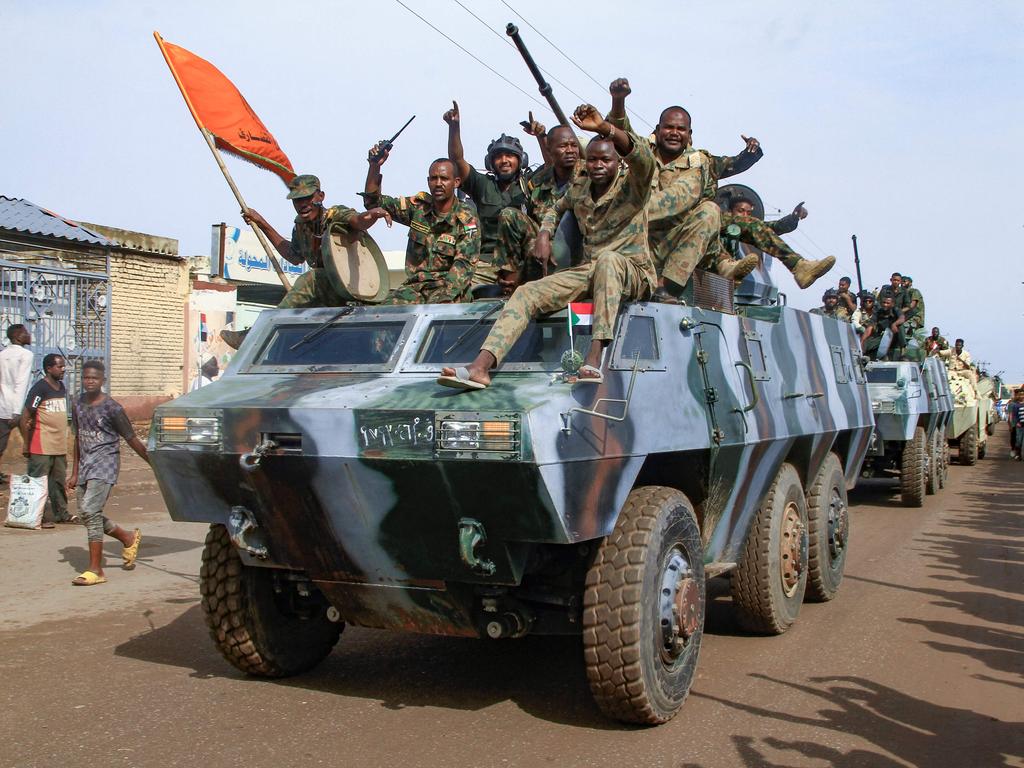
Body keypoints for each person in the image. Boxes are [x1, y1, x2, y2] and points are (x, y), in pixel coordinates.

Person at [438, 100, 655, 390]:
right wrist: (544, 234)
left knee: (608, 260)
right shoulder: (580, 187)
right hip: (590, 271)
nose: (598, 165)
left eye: (606, 160)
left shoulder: (633, 186)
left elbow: (643, 159)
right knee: (527, 293)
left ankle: (593, 357)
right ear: (584, 162)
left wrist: (605, 128)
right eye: (592, 160)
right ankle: (481, 367)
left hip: (632, 271)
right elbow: (555, 208)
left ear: (617, 163)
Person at [221, 174, 391, 349]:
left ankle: (256, 335)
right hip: (329, 295)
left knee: (311, 279)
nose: (302, 205)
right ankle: (271, 338)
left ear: (320, 196)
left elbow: (358, 221)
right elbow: (294, 256)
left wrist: (371, 215)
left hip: (352, 291)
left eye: (307, 198)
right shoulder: (301, 226)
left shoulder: (335, 215)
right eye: (297, 200)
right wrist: (261, 223)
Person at [67, 361, 149, 586]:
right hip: (86, 464)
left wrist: (154, 463)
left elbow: (131, 438)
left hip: (105, 464)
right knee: (86, 514)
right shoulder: (77, 404)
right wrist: (74, 472)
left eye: (94, 378)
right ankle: (127, 537)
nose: (89, 381)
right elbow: (77, 438)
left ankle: (96, 570)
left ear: (103, 380)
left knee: (90, 510)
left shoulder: (113, 408)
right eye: (85, 378)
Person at [362, 152, 480, 304]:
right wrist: (374, 167)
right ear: (428, 181)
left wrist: (444, 298)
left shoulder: (466, 218)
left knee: (442, 316)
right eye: (433, 178)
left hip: (449, 288)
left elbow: (464, 264)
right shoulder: (418, 209)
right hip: (415, 288)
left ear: (456, 182)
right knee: (382, 316)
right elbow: (373, 203)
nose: (438, 183)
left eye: (444, 179)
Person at [444, 101, 533, 293]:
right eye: (498, 156)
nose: (504, 160)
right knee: (455, 292)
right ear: (491, 162)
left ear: (521, 160)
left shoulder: (531, 184)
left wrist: (541, 137)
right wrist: (454, 128)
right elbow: (456, 160)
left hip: (523, 263)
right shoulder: (483, 184)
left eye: (510, 155)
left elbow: (554, 168)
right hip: (486, 263)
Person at [493, 121, 581, 293]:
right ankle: (510, 285)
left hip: (577, 247)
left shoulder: (589, 176)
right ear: (549, 150)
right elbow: (531, 222)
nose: (570, 150)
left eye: (574, 145)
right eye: (563, 146)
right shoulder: (539, 182)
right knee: (509, 215)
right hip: (542, 245)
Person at [720, 194, 836, 289]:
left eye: (749, 213)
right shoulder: (719, 220)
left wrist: (794, 217)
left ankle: (800, 267)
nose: (745, 216)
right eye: (741, 211)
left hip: (725, 283)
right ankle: (798, 266)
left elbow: (773, 227)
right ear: (730, 211)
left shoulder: (749, 227)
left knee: (757, 226)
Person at [19, 353, 71, 528]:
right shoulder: (39, 388)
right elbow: (25, 416)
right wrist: (26, 444)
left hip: (59, 445)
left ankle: (62, 513)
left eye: (64, 366)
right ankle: (37, 516)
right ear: (49, 368)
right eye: (60, 366)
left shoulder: (61, 387)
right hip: (41, 444)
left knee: (58, 482)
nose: (63, 369)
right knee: (37, 481)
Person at [0, 323, 34, 484]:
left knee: (1, 444)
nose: (29, 334)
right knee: (31, 443)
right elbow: (21, 383)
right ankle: (35, 476)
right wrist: (17, 412)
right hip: (19, 408)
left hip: (3, 406)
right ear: (17, 337)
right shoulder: (26, 355)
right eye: (25, 332)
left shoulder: (2, 354)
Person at [861, 295, 906, 360]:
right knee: (867, 344)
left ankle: (903, 351)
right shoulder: (878, 312)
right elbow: (870, 327)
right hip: (884, 337)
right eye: (884, 302)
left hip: (895, 337)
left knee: (900, 326)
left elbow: (902, 318)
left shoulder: (896, 310)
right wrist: (862, 340)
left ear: (892, 304)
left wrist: (894, 324)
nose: (885, 305)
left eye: (888, 303)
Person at [1008, 388, 1024, 460]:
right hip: (1015, 424)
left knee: (1018, 439)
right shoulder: (1012, 404)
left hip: (1020, 424)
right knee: (1015, 439)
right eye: (1018, 395)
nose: (1020, 396)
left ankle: (1018, 453)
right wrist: (1010, 425)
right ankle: (1015, 450)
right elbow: (1010, 415)